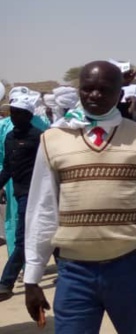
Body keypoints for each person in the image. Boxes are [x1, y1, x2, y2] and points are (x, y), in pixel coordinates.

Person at [24, 61, 136, 333]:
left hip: (131, 268)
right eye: (87, 89)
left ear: (119, 93)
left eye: (103, 89)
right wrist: (32, 276)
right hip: (74, 272)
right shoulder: (53, 139)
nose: (94, 95)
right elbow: (43, 210)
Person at [0, 88, 43, 301]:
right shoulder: (9, 138)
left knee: (22, 239)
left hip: (36, 194)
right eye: (12, 112)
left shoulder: (39, 137)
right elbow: (7, 168)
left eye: (18, 112)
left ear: (28, 115)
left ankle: (5, 283)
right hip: (19, 194)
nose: (14, 116)